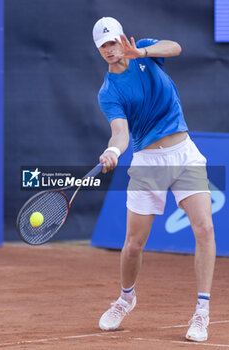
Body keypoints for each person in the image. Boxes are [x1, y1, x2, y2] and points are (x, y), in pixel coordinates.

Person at [92, 17, 215, 342]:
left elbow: (175, 47)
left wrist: (142, 54)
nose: (110, 49)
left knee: (204, 229)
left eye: (113, 42)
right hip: (148, 161)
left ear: (122, 39)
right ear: (99, 50)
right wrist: (113, 152)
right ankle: (126, 298)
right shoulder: (108, 92)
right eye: (103, 45)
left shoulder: (144, 49)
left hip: (184, 152)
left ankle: (202, 312)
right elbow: (120, 132)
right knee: (133, 245)